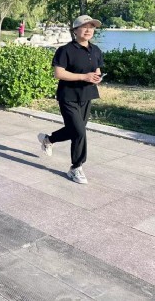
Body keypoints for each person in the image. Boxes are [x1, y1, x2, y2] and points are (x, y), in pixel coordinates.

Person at [38, 15, 104, 184]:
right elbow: (59, 73)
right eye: (84, 26)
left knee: (75, 130)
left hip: (87, 95)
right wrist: (84, 77)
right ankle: (76, 167)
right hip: (68, 96)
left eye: (92, 27)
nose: (89, 30)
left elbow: (96, 70)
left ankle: (48, 139)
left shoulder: (96, 50)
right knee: (79, 132)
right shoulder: (65, 50)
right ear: (75, 30)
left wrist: (96, 77)